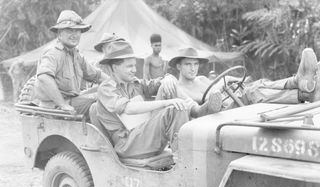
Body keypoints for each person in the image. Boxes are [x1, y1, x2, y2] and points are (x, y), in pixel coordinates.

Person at [91, 40, 194, 159]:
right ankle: (184, 160)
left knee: (168, 87)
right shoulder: (106, 88)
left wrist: (167, 79)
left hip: (143, 135)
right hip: (128, 144)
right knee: (176, 109)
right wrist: (167, 102)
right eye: (129, 66)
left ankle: (196, 109)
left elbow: (154, 84)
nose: (134, 70)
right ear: (114, 67)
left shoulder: (134, 82)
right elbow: (128, 109)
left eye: (134, 65)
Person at [162, 47, 320, 110]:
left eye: (195, 64)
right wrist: (167, 78)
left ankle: (299, 82)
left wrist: (237, 79)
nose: (192, 68)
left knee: (258, 83)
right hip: (214, 114)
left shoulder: (202, 79)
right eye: (188, 64)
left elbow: (220, 81)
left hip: (230, 101)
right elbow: (198, 104)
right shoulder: (178, 88)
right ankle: (304, 94)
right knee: (253, 93)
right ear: (178, 67)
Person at [19, 10, 109, 118]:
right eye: (69, 30)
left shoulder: (75, 55)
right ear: (59, 33)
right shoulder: (54, 53)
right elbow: (44, 78)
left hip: (71, 102)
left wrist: (116, 84)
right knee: (99, 99)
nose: (74, 35)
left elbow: (96, 75)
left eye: (77, 31)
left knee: (105, 95)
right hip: (54, 108)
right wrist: (62, 104)